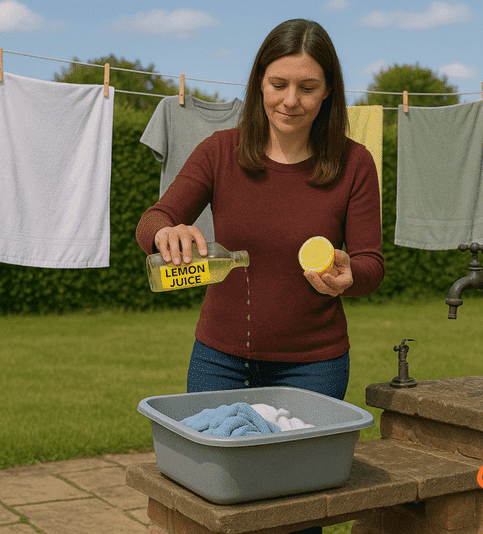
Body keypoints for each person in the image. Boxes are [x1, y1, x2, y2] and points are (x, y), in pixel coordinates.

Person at [136, 19, 384, 531]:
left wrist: (348, 274)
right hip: (218, 362)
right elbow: (153, 220)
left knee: (296, 514)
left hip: (313, 369)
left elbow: (371, 264)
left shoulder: (354, 164)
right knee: (213, 507)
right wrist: (167, 235)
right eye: (279, 85)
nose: (291, 100)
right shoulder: (220, 152)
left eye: (308, 87)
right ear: (259, 85)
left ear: (329, 92)